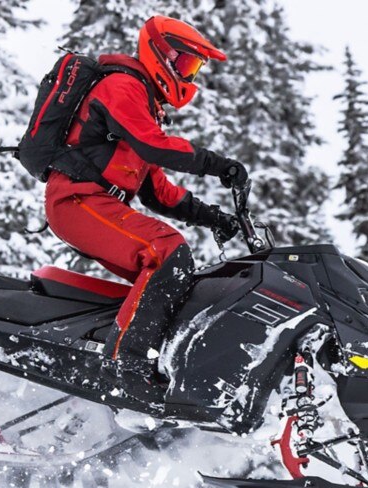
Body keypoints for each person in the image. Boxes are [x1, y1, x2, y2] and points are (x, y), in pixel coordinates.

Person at [43, 15, 248, 382]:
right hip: (76, 199)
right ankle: (126, 366)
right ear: (162, 54)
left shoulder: (144, 106)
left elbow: (158, 191)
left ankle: (157, 365)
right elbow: (155, 146)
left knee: (177, 280)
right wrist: (217, 165)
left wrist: (212, 217)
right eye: (186, 64)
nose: (188, 77)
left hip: (95, 203)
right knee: (166, 250)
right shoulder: (122, 86)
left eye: (194, 69)